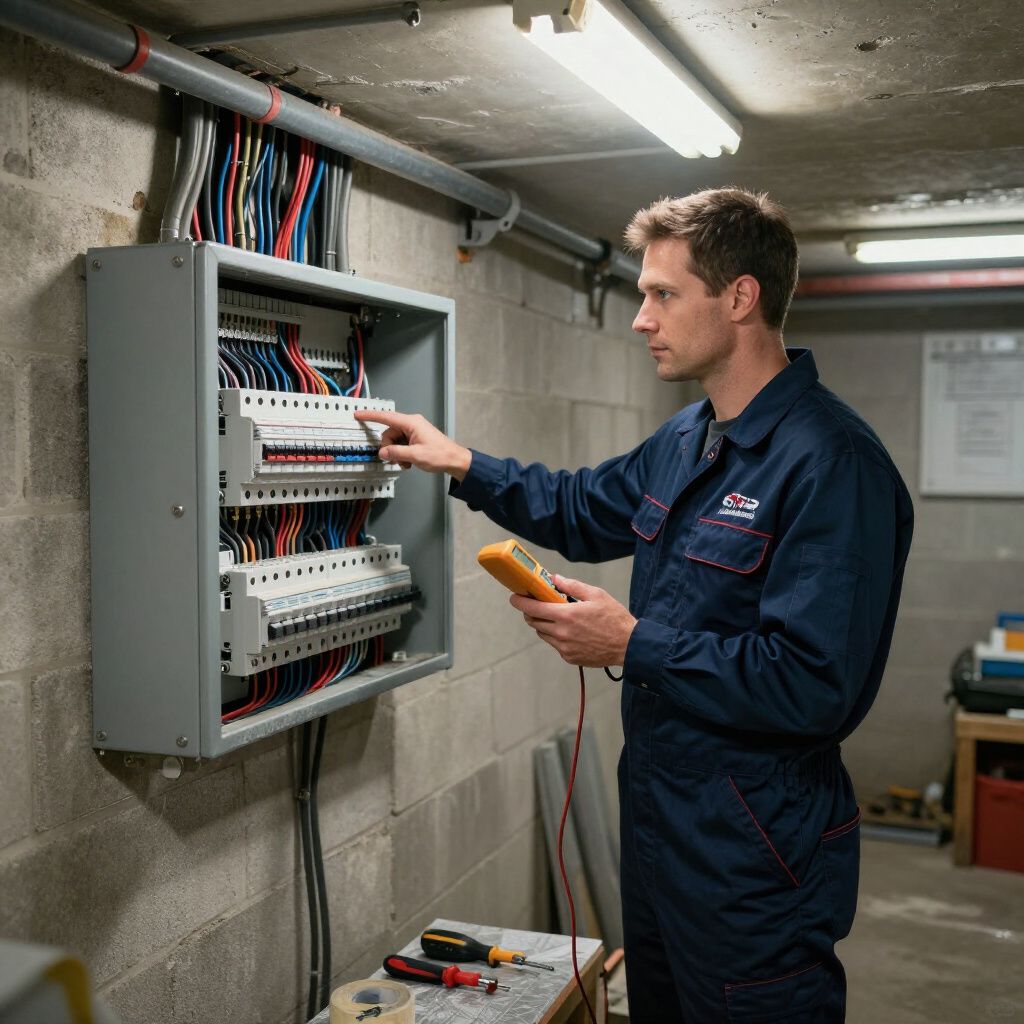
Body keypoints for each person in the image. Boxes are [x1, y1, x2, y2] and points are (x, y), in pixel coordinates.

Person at [355, 187, 914, 1023]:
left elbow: (813, 683)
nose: (640, 319)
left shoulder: (832, 464)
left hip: (755, 851)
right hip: (659, 821)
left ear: (739, 297)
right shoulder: (690, 437)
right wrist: (462, 462)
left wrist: (630, 641)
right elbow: (582, 506)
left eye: (662, 294)